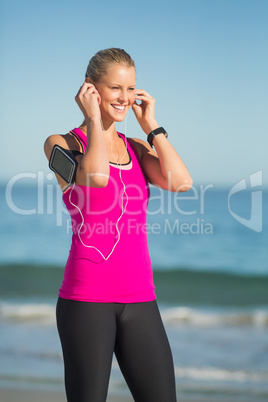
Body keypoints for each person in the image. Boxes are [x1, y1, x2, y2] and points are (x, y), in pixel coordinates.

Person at [44, 48, 192, 402]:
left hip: (141, 298)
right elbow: (95, 176)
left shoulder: (138, 148)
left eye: (131, 89)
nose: (125, 98)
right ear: (90, 89)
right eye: (115, 88)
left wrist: (151, 127)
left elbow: (181, 181)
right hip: (86, 299)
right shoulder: (59, 144)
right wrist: (94, 120)